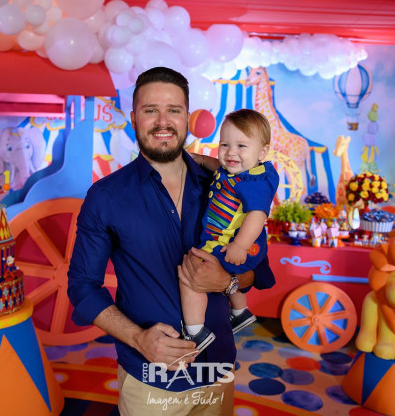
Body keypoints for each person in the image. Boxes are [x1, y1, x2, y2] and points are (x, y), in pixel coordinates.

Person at [67, 67, 275, 415]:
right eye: (151, 110)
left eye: (173, 110)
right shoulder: (105, 197)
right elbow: (82, 287)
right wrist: (138, 338)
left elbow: (259, 268)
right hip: (151, 377)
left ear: (187, 118)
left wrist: (227, 282)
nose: (163, 121)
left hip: (217, 368)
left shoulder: (224, 184)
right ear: (134, 117)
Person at [182, 109, 279, 351]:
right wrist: (201, 159)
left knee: (191, 276)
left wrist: (239, 246)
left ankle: (195, 331)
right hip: (237, 243)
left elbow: (257, 215)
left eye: (241, 146)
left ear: (262, 152)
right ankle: (240, 311)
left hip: (233, 243)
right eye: (224, 144)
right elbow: (218, 166)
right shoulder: (240, 171)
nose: (230, 152)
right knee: (226, 272)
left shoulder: (255, 183)